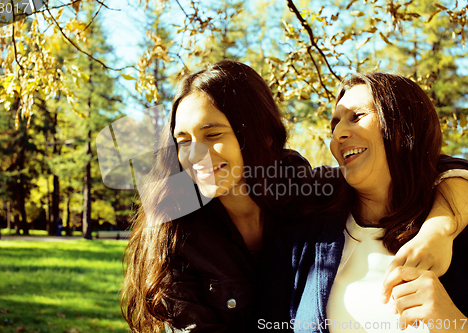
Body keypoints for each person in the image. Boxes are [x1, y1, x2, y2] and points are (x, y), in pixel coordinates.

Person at [120, 62, 468, 333]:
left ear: (257, 134)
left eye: (213, 134)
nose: (196, 154)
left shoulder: (309, 196)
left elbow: (432, 163)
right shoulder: (178, 231)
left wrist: (441, 226)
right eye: (183, 140)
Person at [277, 73, 468, 332]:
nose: (338, 133)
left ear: (404, 125)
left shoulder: (458, 230)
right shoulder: (306, 238)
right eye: (335, 125)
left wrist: (454, 324)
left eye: (357, 116)